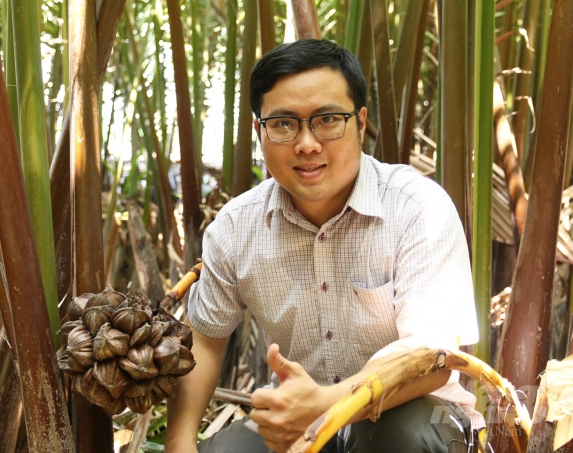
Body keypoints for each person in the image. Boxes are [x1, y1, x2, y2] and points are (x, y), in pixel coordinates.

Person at [165, 39, 482, 453]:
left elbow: (432, 358)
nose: (307, 143)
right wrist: (180, 443)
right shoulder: (235, 228)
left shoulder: (417, 207)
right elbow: (204, 341)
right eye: (283, 124)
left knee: (405, 434)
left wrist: (327, 402)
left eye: (328, 119)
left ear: (361, 122)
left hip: (424, 416)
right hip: (304, 423)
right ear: (260, 130)